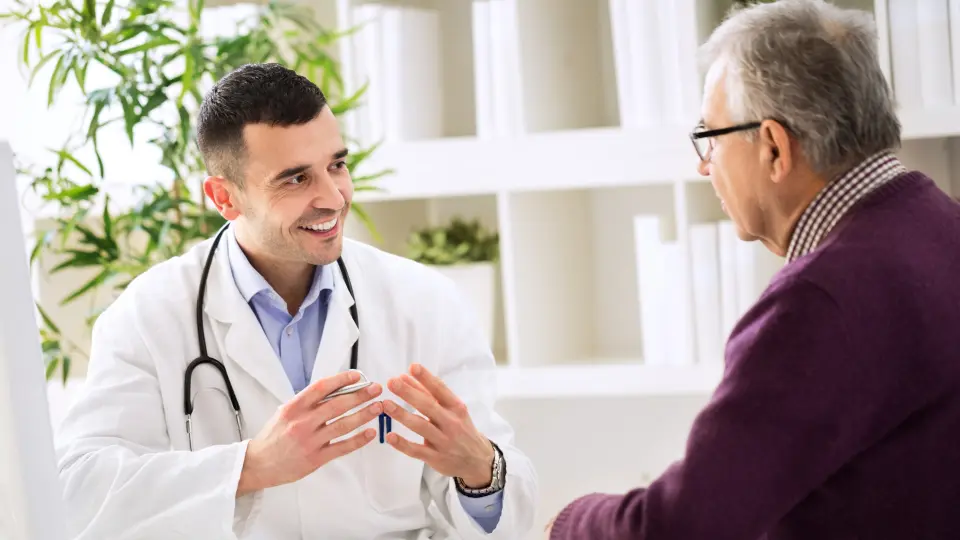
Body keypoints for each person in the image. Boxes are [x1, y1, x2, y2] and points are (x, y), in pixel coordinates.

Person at [54, 63, 538, 539]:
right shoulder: (148, 315)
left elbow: (505, 517)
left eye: (337, 166)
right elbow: (79, 491)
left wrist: (479, 467)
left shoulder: (424, 302)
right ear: (224, 198)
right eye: (296, 179)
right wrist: (252, 466)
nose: (333, 197)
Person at [547, 1, 960, 538]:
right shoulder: (942, 224)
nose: (704, 164)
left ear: (773, 147)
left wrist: (569, 520)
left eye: (711, 137)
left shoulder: (821, 299)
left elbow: (681, 527)